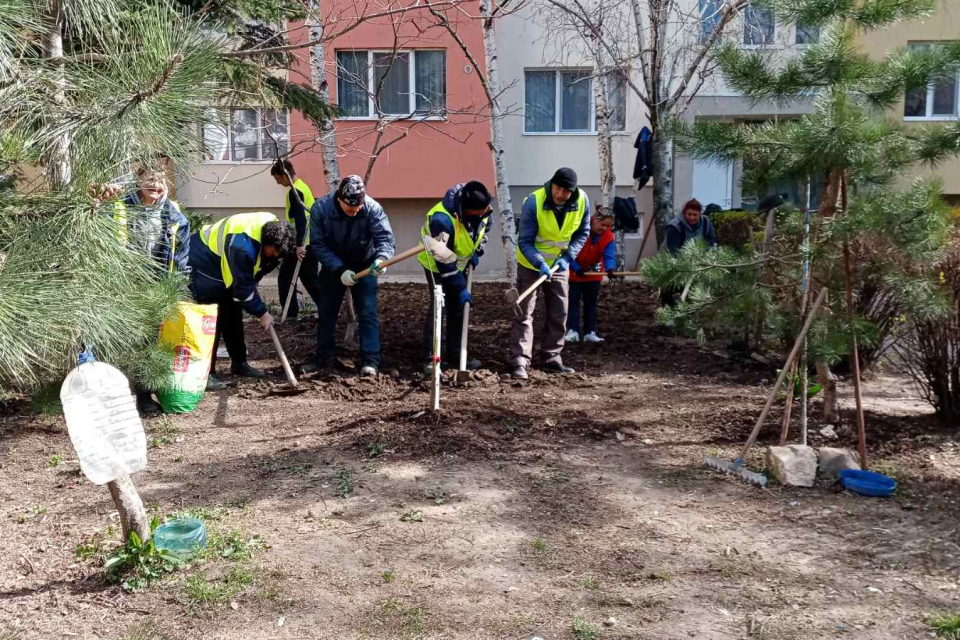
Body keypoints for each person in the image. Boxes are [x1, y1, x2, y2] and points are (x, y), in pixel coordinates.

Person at [95, 164, 192, 414]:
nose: (156, 186)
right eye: (150, 180)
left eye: (161, 181)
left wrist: (173, 291)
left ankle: (143, 396)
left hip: (154, 287)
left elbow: (180, 261)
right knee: (117, 342)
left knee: (148, 343)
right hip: (121, 285)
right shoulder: (119, 206)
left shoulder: (175, 217)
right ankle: (112, 396)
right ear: (138, 181)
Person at [187, 212, 297, 388]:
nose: (275, 257)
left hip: (224, 264)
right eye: (274, 252)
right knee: (212, 321)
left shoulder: (273, 228)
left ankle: (239, 363)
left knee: (233, 315)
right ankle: (206, 374)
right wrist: (262, 313)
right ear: (267, 244)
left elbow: (249, 280)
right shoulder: (242, 248)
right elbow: (242, 290)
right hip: (205, 265)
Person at [305, 175, 396, 377]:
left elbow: (385, 239)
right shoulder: (321, 209)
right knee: (327, 313)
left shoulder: (372, 208)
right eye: (350, 209)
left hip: (365, 264)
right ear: (340, 199)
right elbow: (318, 244)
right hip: (333, 266)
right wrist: (339, 269)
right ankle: (324, 357)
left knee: (368, 312)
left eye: (358, 208)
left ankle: (371, 359)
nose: (355, 212)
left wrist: (381, 259)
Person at [509, 167, 590, 379]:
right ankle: (520, 360)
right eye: (558, 188)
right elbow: (525, 241)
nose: (561, 194)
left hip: (559, 263)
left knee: (559, 311)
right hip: (530, 263)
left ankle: (551, 357)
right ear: (551, 184)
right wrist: (539, 262)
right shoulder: (534, 202)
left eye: (566, 191)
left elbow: (583, 232)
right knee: (524, 312)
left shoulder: (582, 201)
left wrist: (568, 256)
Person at [417, 181, 493, 374]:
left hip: (460, 262)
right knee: (438, 306)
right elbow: (443, 259)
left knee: (458, 309)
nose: (483, 214)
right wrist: (459, 288)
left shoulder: (484, 210)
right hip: (436, 264)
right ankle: (430, 358)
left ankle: (457, 354)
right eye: (478, 213)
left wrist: (478, 249)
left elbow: (483, 231)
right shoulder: (441, 220)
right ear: (466, 209)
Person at [271, 160, 322, 321]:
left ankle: (292, 313)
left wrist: (299, 245)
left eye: (278, 178)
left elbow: (300, 220)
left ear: (285, 175)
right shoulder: (302, 187)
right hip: (308, 242)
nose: (278, 182)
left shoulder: (295, 191)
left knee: (287, 277)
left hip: (303, 245)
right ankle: (327, 307)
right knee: (308, 278)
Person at [565, 206, 616, 344]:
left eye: (609, 226)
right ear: (594, 221)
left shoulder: (608, 236)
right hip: (574, 271)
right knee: (573, 301)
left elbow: (609, 255)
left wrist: (610, 268)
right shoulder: (579, 229)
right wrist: (576, 268)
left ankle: (590, 332)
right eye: (603, 224)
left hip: (593, 272)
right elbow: (567, 252)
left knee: (590, 303)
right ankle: (572, 331)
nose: (605, 228)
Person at [661, 198, 718, 309]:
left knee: (695, 285)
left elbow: (711, 240)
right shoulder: (675, 226)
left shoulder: (705, 222)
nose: (692, 218)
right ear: (684, 212)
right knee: (672, 285)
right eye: (689, 214)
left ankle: (689, 309)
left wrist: (708, 256)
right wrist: (685, 266)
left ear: (699, 214)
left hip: (696, 257)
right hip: (672, 257)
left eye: (695, 215)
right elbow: (673, 251)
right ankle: (668, 311)